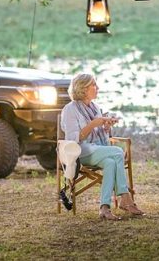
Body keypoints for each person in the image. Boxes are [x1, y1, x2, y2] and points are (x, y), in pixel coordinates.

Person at [60, 73, 144, 220]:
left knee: (111, 163)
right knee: (118, 151)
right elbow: (73, 138)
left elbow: (100, 137)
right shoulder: (70, 109)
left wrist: (105, 127)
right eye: (94, 85)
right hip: (79, 151)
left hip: (96, 149)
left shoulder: (95, 107)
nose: (97, 88)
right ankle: (125, 197)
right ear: (84, 89)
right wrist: (94, 123)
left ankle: (104, 208)